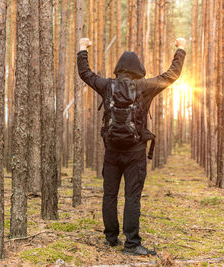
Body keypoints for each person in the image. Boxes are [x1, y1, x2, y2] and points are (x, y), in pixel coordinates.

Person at [77, 37, 186, 256]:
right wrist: (180, 49)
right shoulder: (145, 87)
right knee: (132, 197)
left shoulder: (107, 85)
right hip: (136, 152)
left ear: (119, 68)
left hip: (111, 152)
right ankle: (132, 244)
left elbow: (85, 74)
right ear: (139, 69)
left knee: (110, 195)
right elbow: (171, 75)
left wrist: (82, 49)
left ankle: (110, 238)